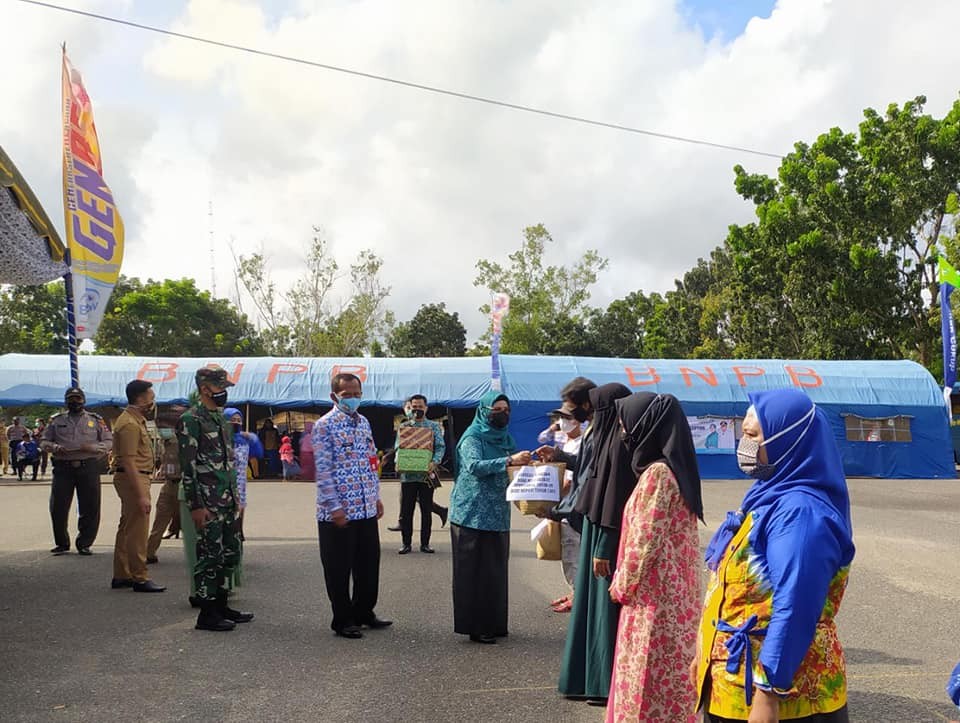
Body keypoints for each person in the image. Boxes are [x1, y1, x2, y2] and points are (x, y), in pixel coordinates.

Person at [694, 389, 855, 722]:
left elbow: (795, 604)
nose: (744, 444)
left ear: (788, 441)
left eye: (752, 435)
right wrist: (706, 651)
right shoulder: (769, 496)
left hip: (785, 699)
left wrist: (769, 693)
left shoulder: (801, 513)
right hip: (735, 683)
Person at [606, 393, 704, 722]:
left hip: (654, 600)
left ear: (645, 426)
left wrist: (621, 584)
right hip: (677, 597)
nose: (622, 429)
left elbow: (643, 541)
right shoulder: (676, 468)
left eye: (625, 423)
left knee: (646, 682)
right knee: (671, 681)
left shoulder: (658, 475)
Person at [555, 382, 633, 705]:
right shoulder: (602, 437)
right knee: (588, 606)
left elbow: (612, 497)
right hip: (593, 528)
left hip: (604, 534)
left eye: (593, 409)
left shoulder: (619, 442)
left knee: (601, 608)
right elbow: (590, 480)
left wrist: (602, 544)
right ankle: (584, 679)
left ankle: (600, 683)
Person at [313, 372, 391, 640]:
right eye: (348, 395)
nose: (354, 398)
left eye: (357, 393)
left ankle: (364, 612)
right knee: (338, 569)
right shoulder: (324, 426)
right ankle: (343, 619)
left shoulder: (364, 423)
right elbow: (322, 471)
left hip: (366, 507)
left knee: (369, 565)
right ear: (334, 396)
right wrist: (335, 508)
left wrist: (376, 496)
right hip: (338, 512)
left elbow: (371, 460)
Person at [448, 391, 530, 644]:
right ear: (484, 411)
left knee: (494, 571)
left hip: (497, 513)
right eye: (497, 410)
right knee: (473, 572)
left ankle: (495, 623)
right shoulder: (472, 437)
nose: (503, 413)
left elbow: (514, 469)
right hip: (470, 514)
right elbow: (473, 466)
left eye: (506, 409)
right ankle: (475, 626)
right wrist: (508, 460)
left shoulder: (506, 438)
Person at [177, 365, 254, 632]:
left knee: (228, 553)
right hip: (207, 502)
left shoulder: (220, 418)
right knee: (210, 556)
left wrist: (236, 497)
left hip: (227, 500)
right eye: (220, 387)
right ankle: (207, 613)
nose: (224, 392)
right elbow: (188, 467)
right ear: (205, 388)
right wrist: (196, 505)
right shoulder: (191, 420)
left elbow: (227, 463)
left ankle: (222, 605)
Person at [110, 379, 165, 593]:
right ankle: (139, 577)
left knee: (127, 528)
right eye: (151, 397)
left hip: (136, 477)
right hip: (134, 478)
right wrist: (142, 495)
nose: (153, 401)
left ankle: (122, 574)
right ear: (140, 398)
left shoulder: (134, 420)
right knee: (138, 531)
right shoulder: (129, 424)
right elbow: (129, 462)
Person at [41, 388, 112, 555]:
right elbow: (44, 441)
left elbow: (109, 441)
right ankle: (62, 543)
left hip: (88, 465)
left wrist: (94, 447)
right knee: (58, 506)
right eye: (70, 399)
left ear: (84, 400)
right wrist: (54, 447)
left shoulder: (96, 420)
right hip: (63, 467)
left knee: (90, 506)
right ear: (65, 401)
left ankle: (85, 543)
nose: (74, 402)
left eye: (77, 399)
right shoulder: (56, 420)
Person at [396, 394, 446, 555]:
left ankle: (425, 544)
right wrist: (398, 462)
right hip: (408, 476)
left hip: (426, 475)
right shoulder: (404, 426)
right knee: (406, 511)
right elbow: (399, 447)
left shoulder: (433, 426)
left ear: (426, 408)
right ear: (409, 408)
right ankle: (406, 543)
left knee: (426, 509)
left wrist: (435, 462)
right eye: (414, 407)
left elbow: (440, 446)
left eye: (420, 407)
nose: (417, 410)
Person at [547, 405, 584, 614]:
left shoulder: (581, 445)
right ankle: (574, 592)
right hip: (563, 507)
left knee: (573, 554)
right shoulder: (564, 442)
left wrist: (549, 502)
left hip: (571, 508)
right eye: (560, 418)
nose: (563, 422)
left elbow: (569, 483)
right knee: (569, 553)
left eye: (567, 417)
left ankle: (578, 596)